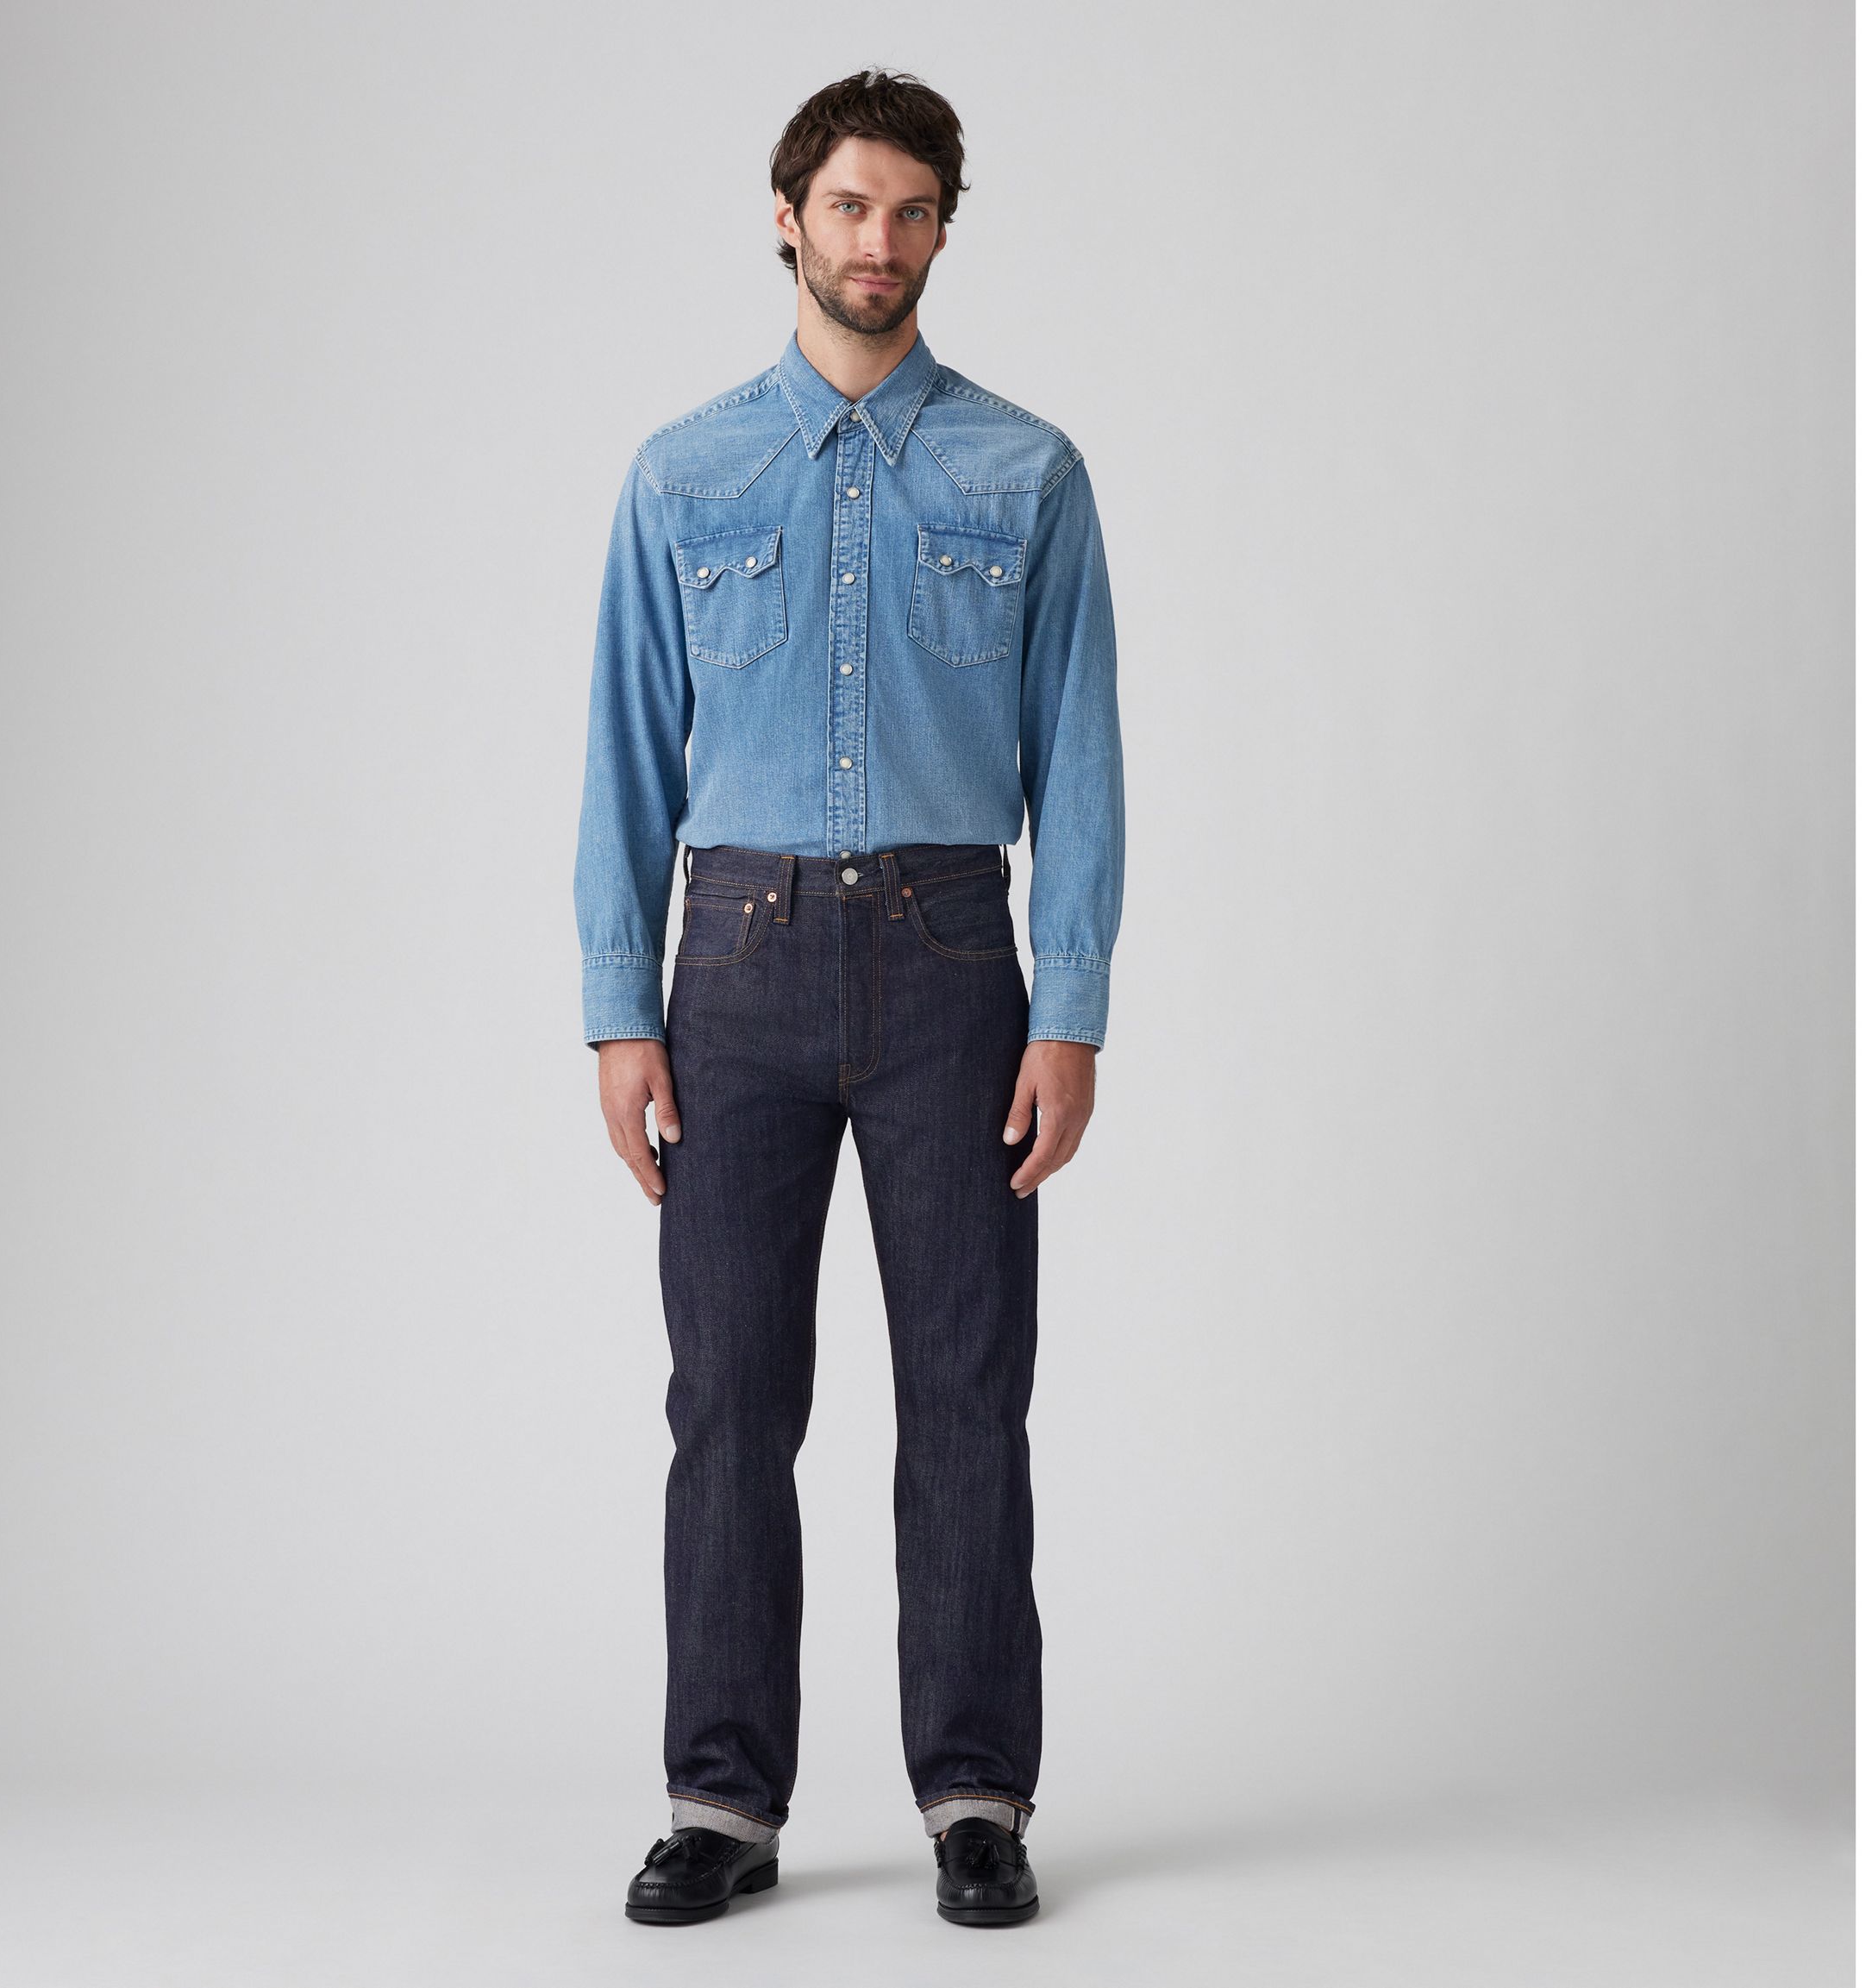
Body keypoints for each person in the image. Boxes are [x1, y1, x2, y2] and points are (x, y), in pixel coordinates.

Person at [573, 68, 1124, 1930]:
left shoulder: (1026, 473)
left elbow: (1081, 759)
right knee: (730, 1393)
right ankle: (719, 1799)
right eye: (847, 206)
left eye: (910, 211)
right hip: (731, 960)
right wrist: (618, 1010)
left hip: (954, 959)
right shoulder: (684, 473)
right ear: (786, 217)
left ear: (943, 230)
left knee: (967, 1392)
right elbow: (624, 754)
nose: (876, 241)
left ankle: (975, 1792)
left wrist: (1070, 1011)